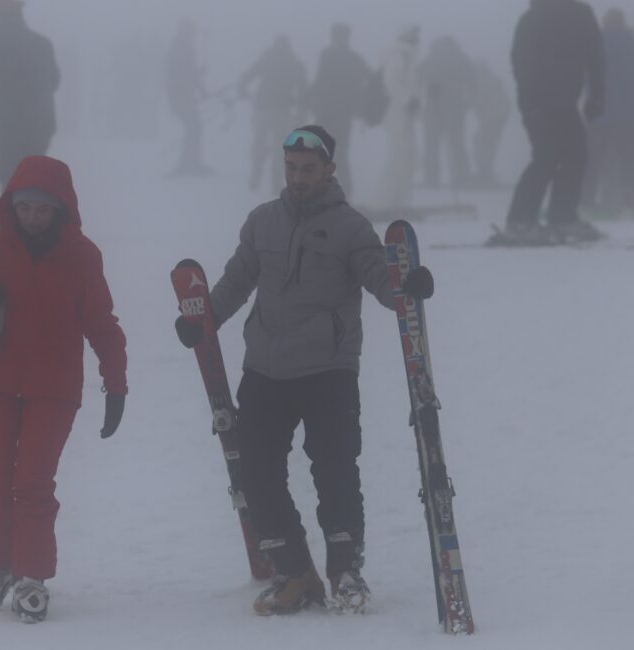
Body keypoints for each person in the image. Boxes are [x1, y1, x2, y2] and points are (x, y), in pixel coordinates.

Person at [174, 126, 434, 616]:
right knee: (256, 472)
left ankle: (345, 571)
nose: (298, 178)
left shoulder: (350, 227)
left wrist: (405, 287)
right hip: (265, 368)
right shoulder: (262, 222)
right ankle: (295, 573)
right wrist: (204, 320)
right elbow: (237, 279)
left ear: (329, 170)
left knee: (335, 470)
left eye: (308, 169)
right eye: (291, 168)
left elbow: (379, 278)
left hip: (328, 369)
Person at [0, 155, 127, 623]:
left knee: (32, 483)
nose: (32, 217)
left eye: (42, 209)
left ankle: (31, 576)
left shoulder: (82, 256)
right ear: (11, 205)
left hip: (54, 390)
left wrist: (116, 384)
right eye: (24, 207)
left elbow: (101, 323)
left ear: (61, 208)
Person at [490, 0, 605, 247]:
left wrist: (597, 95)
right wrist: (532, 96)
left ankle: (560, 217)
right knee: (548, 156)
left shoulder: (569, 14)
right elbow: (522, 61)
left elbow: (594, 57)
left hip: (558, 100)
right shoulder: (543, 16)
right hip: (541, 100)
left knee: (574, 155)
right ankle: (523, 222)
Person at [0, 0, 60, 244]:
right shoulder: (41, 43)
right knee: (34, 173)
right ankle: (37, 228)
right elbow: (55, 80)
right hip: (42, 122)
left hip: (10, 123)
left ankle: (14, 230)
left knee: (9, 174)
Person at [580, 8, 634, 217]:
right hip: (629, 113)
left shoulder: (594, 43)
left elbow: (584, 76)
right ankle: (631, 202)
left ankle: (586, 202)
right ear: (623, 22)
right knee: (630, 159)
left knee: (593, 160)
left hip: (599, 112)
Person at [309, 24, 374, 198]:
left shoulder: (327, 55)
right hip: (340, 112)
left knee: (325, 151)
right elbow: (371, 78)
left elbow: (319, 80)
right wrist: (361, 100)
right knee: (339, 152)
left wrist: (309, 98)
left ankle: (327, 189)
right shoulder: (352, 57)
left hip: (327, 111)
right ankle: (343, 190)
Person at [239, 35, 309, 193]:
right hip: (281, 111)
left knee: (259, 142)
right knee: (278, 146)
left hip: (262, 108)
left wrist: (242, 90)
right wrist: (301, 113)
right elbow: (303, 90)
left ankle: (257, 172)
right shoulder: (294, 64)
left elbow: (247, 76)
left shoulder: (267, 59)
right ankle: (275, 179)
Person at [419, 36, 476, 190]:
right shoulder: (459, 59)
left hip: (435, 107)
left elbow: (418, 78)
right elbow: (472, 80)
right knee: (456, 143)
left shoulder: (431, 60)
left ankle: (432, 179)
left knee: (432, 144)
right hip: (453, 107)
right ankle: (462, 177)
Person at [376, 26, 421, 213]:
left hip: (404, 114)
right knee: (399, 156)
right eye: (414, 34)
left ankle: (399, 199)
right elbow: (391, 81)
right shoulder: (400, 55)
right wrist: (407, 100)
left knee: (406, 156)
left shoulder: (408, 56)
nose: (417, 38)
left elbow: (409, 85)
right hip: (397, 115)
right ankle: (388, 200)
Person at [166, 20, 213, 178]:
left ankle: (191, 163)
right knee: (194, 127)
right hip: (181, 95)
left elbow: (187, 73)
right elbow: (187, 74)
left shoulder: (179, 47)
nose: (193, 35)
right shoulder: (182, 49)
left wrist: (199, 84)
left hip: (181, 95)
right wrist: (201, 88)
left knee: (194, 127)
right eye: (192, 32)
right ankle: (189, 164)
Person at [470, 58, 511, 190]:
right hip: (495, 116)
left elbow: (479, 100)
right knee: (483, 143)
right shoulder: (488, 79)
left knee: (483, 143)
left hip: (494, 117)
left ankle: (485, 174)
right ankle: (485, 173)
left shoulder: (485, 80)